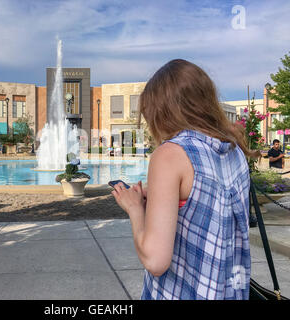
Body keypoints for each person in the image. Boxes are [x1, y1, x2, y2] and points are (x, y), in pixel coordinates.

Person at [111, 59, 260, 300]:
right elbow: (208, 207)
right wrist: (163, 197)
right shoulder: (235, 152)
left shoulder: (170, 154)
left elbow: (155, 260)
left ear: (163, 111)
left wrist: (135, 208)